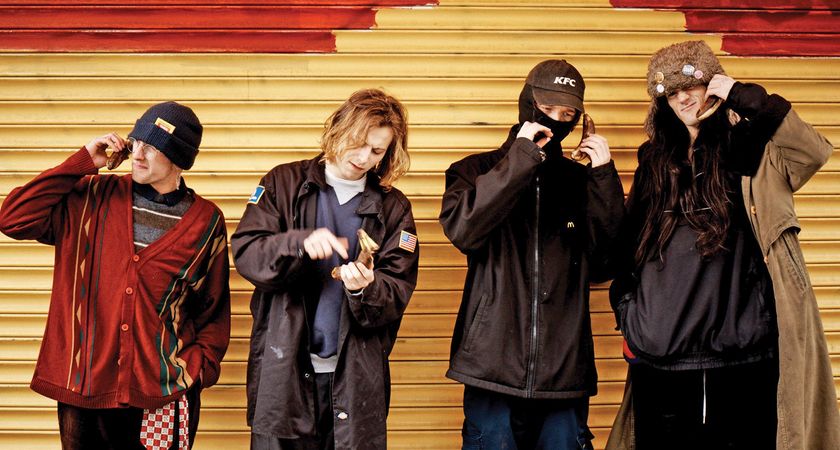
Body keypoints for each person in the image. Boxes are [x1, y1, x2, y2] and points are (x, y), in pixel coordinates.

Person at [605, 40, 840, 450]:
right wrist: (630, 316)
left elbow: (812, 152)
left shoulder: (752, 149)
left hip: (744, 356)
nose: (681, 98)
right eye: (670, 92)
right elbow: (630, 247)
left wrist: (740, 94)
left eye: (689, 86)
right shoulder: (655, 161)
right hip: (663, 359)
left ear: (712, 84)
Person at [0, 101, 231, 449]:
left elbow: (212, 308)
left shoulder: (206, 222)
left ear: (180, 160)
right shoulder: (90, 197)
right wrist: (80, 164)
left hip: (164, 391)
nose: (138, 154)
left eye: (152, 148)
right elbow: (13, 218)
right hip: (84, 388)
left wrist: (197, 370)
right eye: (136, 141)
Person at [439, 59, 625, 449]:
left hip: (564, 374)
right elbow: (465, 231)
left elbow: (606, 261)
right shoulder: (472, 171)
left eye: (567, 114)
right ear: (527, 104)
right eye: (548, 110)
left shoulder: (580, 180)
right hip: (491, 366)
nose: (556, 120)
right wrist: (522, 156)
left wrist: (604, 175)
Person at [232, 88, 419, 450]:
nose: (364, 158)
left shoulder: (394, 207)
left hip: (355, 380)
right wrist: (297, 244)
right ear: (338, 128)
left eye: (377, 151)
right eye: (358, 142)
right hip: (283, 373)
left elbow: (398, 288)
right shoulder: (281, 183)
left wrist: (366, 288)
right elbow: (247, 253)